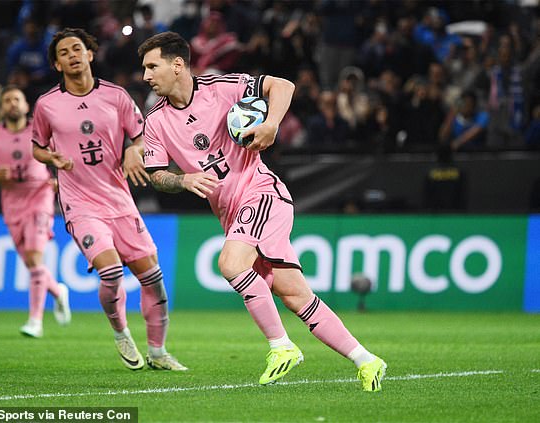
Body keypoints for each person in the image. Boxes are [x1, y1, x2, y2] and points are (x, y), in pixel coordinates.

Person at [138, 31, 387, 390]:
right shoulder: (156, 121)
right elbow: (156, 175)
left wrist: (271, 124)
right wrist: (183, 180)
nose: (146, 75)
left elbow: (282, 86)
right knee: (295, 295)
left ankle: (281, 346)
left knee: (229, 264)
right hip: (231, 212)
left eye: (151, 66)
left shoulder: (220, 87)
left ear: (178, 65)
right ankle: (367, 360)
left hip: (261, 194)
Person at [31, 28, 186, 371]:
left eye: (78, 48)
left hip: (119, 201)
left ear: (90, 54)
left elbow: (143, 135)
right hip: (80, 204)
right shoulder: (47, 105)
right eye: (64, 52)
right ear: (57, 64)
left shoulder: (116, 96)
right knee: (112, 272)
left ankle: (158, 352)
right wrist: (51, 159)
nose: (72, 55)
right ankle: (120, 333)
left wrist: (135, 150)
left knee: (153, 280)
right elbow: (37, 147)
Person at [0, 85, 71, 338]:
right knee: (31, 263)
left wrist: (60, 180)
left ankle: (35, 321)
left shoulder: (39, 129)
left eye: (17, 99)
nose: (12, 104)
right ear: (1, 108)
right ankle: (59, 292)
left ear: (26, 106)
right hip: (11, 202)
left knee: (35, 257)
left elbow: (64, 155)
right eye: (7, 100)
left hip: (39, 197)